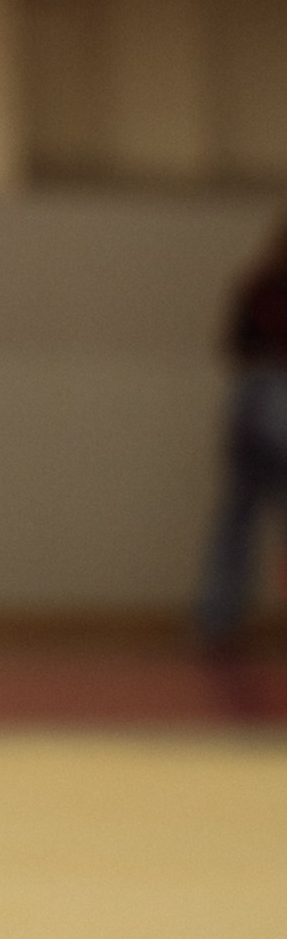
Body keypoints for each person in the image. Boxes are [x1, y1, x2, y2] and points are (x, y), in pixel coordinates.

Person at [195, 211, 287, 656]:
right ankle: (217, 617)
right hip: (272, 396)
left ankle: (217, 616)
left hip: (248, 400)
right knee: (245, 516)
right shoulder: (261, 286)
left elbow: (230, 344)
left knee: (236, 517)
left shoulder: (255, 284)